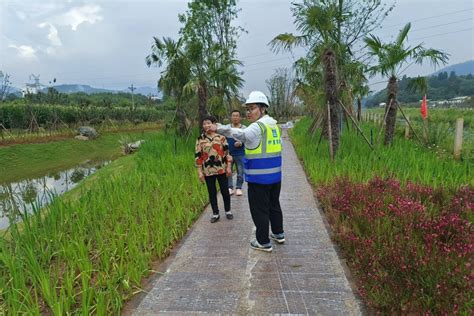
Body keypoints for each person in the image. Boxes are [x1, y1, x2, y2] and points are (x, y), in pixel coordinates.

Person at [211, 91, 284, 252]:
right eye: (248, 109)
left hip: (260, 178)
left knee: (259, 209)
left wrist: (219, 128)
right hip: (275, 176)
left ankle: (263, 241)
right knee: (274, 205)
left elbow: (241, 134)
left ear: (263, 109)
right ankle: (278, 233)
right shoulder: (273, 125)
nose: (249, 112)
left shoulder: (258, 126)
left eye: (252, 108)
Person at [195, 115, 233, 223]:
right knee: (212, 192)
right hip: (208, 171)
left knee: (225, 191)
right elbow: (198, 156)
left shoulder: (221, 137)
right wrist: (200, 172)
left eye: (208, 123)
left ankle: (228, 210)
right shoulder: (200, 139)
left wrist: (229, 166)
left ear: (214, 124)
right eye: (204, 123)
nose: (206, 125)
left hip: (221, 169)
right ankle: (215, 213)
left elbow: (227, 153)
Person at [226, 110, 246, 196]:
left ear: (240, 117)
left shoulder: (244, 128)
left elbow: (247, 139)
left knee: (240, 171)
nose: (235, 117)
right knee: (228, 171)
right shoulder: (227, 128)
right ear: (231, 117)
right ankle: (230, 187)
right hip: (229, 153)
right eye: (233, 116)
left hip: (240, 153)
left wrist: (241, 143)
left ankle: (238, 187)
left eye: (237, 116)